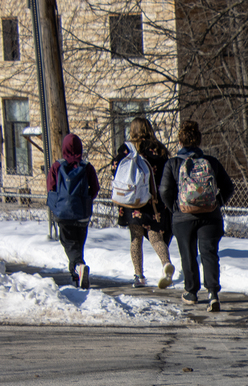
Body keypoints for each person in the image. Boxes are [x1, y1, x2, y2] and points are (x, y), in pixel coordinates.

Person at [158, 120, 234, 312]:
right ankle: (213, 294)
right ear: (198, 140)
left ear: (180, 141)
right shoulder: (211, 162)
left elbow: (165, 190)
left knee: (188, 253)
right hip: (210, 215)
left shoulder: (173, 164)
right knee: (209, 253)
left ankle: (191, 292)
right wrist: (217, 202)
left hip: (183, 216)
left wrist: (175, 207)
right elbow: (228, 187)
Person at [111, 117, 176, 289]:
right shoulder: (159, 149)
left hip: (133, 200)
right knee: (155, 237)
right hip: (153, 200)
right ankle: (165, 264)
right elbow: (166, 174)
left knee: (136, 238)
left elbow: (114, 169)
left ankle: (139, 276)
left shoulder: (126, 149)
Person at [46, 133, 99, 289]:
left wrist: (55, 205)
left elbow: (51, 188)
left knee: (69, 244)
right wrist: (86, 199)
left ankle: (78, 267)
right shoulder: (87, 167)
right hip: (81, 212)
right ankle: (76, 276)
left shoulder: (57, 166)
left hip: (63, 212)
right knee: (78, 245)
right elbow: (95, 189)